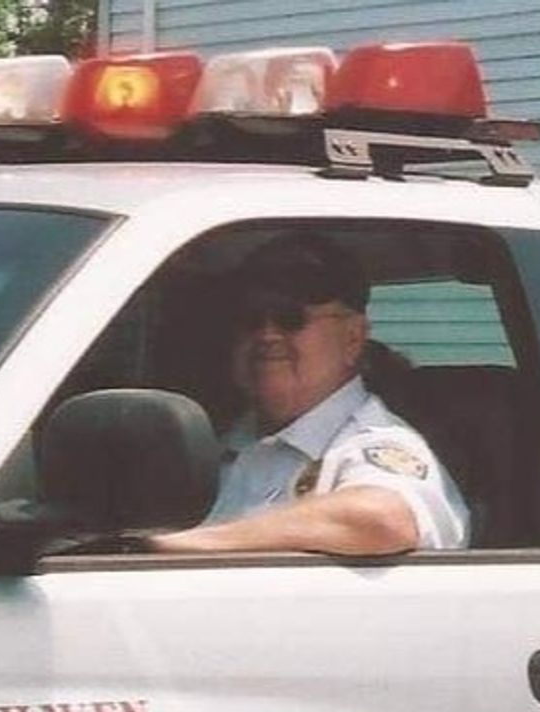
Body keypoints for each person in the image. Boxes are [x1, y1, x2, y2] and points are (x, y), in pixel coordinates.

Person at [148, 231, 469, 556]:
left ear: (353, 339)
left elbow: (384, 519)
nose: (267, 335)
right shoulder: (216, 447)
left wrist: (176, 545)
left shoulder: (376, 443)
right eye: (251, 320)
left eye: (291, 318)